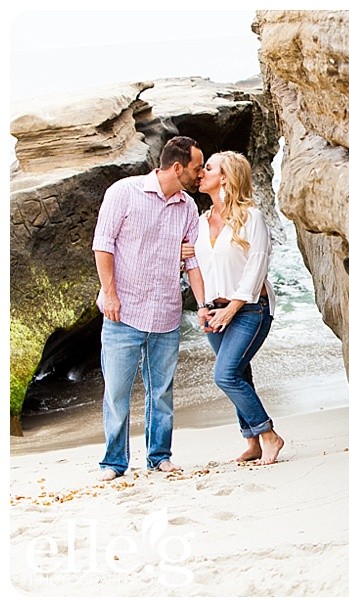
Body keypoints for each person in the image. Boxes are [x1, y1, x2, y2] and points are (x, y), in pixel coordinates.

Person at [93, 136, 209, 481]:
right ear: (177, 167)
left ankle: (160, 456)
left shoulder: (188, 207)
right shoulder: (123, 193)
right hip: (123, 312)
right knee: (116, 391)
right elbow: (103, 246)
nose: (200, 174)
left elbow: (192, 262)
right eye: (196, 167)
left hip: (166, 313)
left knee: (161, 392)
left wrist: (203, 305)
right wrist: (110, 295)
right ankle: (114, 463)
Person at [184, 151, 284, 465]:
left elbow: (257, 267)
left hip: (251, 309)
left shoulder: (251, 217)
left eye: (208, 168)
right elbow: (195, 266)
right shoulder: (200, 223)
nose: (201, 173)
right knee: (239, 372)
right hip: (214, 310)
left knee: (225, 375)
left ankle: (269, 435)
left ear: (225, 177)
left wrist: (233, 308)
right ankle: (252, 441)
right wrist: (202, 306)